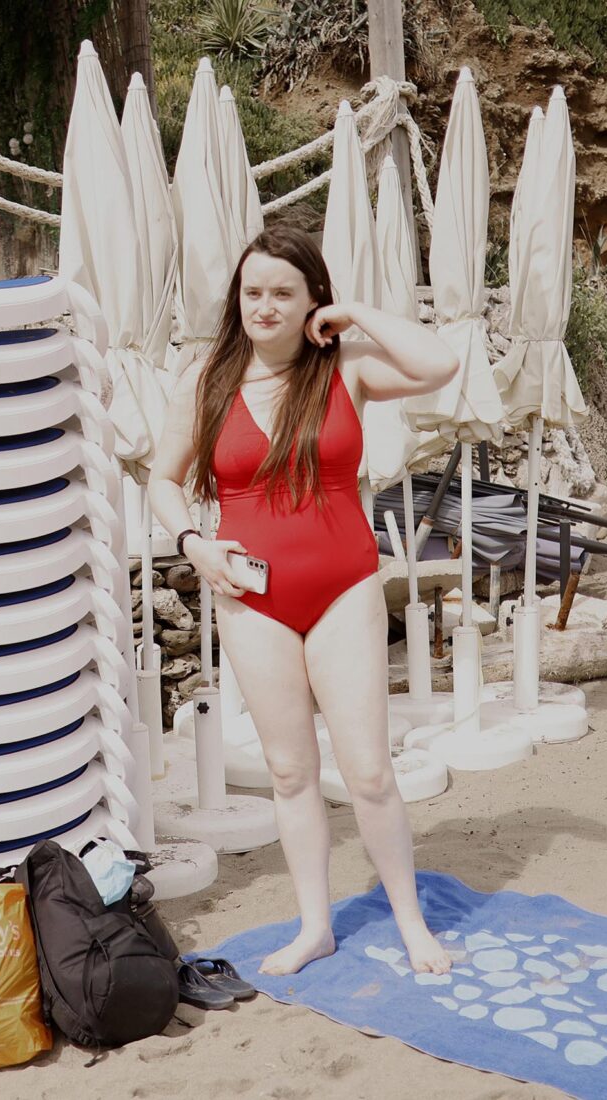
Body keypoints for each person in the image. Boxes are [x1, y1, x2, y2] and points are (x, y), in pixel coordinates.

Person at [149, 225, 459, 976]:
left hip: (345, 585)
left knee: (368, 771)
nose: (263, 305)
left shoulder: (344, 366)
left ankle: (411, 922)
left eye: (282, 292)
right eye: (252, 291)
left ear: (309, 300)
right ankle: (315, 926)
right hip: (251, 595)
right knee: (289, 772)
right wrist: (193, 542)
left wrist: (353, 312)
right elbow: (161, 478)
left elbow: (439, 362)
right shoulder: (206, 379)